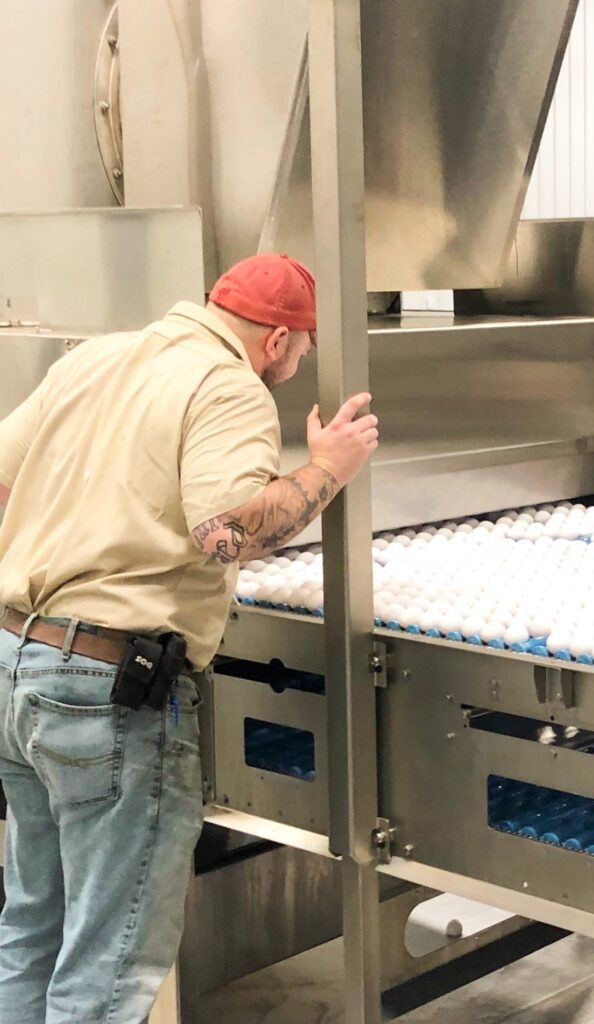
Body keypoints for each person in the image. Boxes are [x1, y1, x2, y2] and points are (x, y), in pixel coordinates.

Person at [0, 253, 378, 1024]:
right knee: (105, 967)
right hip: (106, 694)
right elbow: (222, 533)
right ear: (276, 339)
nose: (299, 365)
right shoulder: (228, 385)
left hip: (17, 664)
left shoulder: (96, 357)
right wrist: (328, 470)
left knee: (32, 931)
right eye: (302, 351)